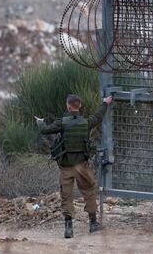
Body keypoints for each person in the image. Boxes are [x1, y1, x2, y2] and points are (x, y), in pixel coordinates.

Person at [35, 94, 113, 238]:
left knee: (66, 196)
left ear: (68, 107)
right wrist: (105, 103)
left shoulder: (62, 123)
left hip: (65, 167)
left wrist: (40, 122)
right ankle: (93, 223)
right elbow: (98, 117)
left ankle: (69, 228)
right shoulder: (86, 122)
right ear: (80, 106)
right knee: (89, 190)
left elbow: (45, 130)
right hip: (82, 166)